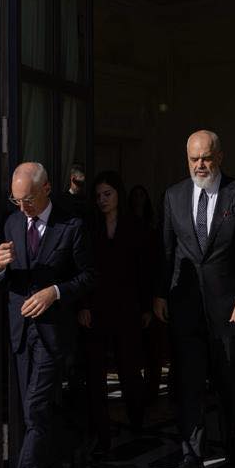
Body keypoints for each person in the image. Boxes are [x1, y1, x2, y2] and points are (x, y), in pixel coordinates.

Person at [154, 130, 235, 468]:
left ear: (219, 157)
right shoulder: (173, 195)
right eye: (193, 159)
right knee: (188, 382)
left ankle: (231, 442)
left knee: (229, 380)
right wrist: (160, 294)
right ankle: (192, 457)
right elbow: (166, 250)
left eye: (206, 158)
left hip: (228, 308)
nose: (200, 165)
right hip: (185, 307)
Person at [0, 162, 94, 468]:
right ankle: (75, 444)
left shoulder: (72, 225)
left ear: (47, 189)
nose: (23, 207)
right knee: (34, 409)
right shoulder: (11, 223)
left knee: (35, 409)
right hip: (21, 332)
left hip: (52, 334)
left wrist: (56, 292)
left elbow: (89, 276)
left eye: (29, 199)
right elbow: (0, 279)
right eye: (16, 200)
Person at [78, 171, 155, 452]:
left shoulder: (136, 227)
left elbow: (146, 270)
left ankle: (137, 421)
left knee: (130, 369)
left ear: (119, 194)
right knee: (96, 372)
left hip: (128, 308)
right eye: (98, 195)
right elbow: (81, 267)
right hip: (97, 309)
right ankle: (100, 431)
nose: (102, 200)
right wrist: (83, 305)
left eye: (107, 194)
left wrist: (146, 306)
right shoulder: (89, 228)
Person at [128, 184, 167, 402]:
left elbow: (157, 266)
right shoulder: (127, 226)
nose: (138, 199)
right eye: (135, 195)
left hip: (153, 294)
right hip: (133, 295)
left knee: (155, 348)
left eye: (142, 195)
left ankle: (151, 390)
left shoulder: (155, 230)